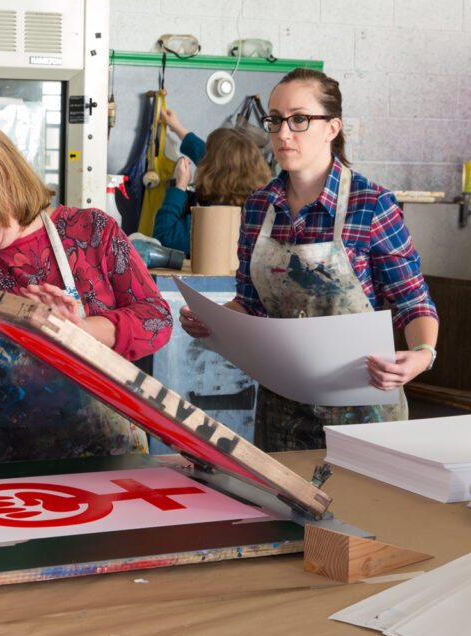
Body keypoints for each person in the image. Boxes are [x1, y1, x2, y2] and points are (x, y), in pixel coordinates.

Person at [179, 69, 439, 452]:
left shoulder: (371, 205)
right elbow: (250, 304)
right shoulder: (258, 206)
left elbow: (413, 302)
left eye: (299, 119)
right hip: (282, 405)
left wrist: (421, 357)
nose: (283, 132)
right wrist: (214, 319)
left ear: (331, 127)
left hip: (363, 408)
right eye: (275, 119)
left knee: (365, 510)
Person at [0, 111, 174, 465]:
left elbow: (157, 321)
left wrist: (82, 331)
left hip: (103, 460)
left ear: (3, 174)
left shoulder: (92, 233)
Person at [153, 109, 272, 255]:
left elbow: (163, 238)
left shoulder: (214, 221)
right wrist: (177, 127)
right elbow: (214, 159)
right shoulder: (258, 208)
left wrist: (180, 187)